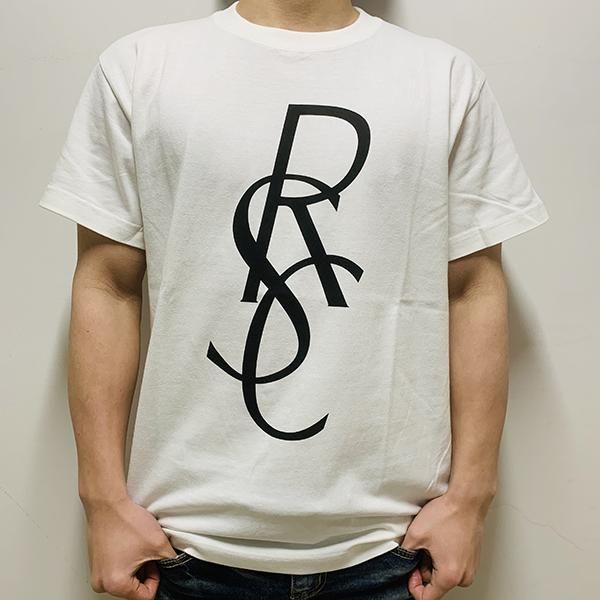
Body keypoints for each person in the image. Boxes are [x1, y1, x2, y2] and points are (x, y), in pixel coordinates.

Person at [38, 1, 550, 598]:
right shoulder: (140, 67)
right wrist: (101, 501)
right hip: (184, 546)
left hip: (393, 549)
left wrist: (472, 497)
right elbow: (108, 283)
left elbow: (473, 288)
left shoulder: (444, 79)